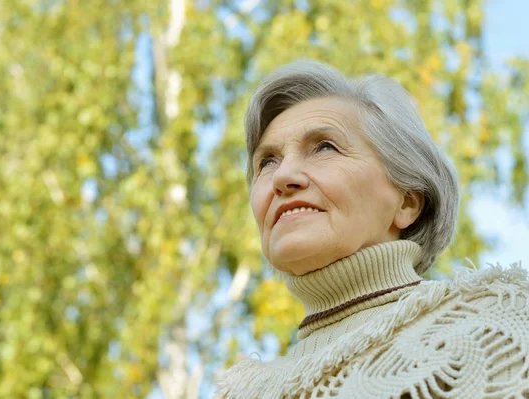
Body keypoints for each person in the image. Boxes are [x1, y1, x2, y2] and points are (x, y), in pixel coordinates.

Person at [215, 60, 529, 398]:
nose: (282, 177)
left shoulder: (501, 324)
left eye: (324, 147)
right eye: (267, 161)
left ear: (407, 202)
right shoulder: (247, 390)